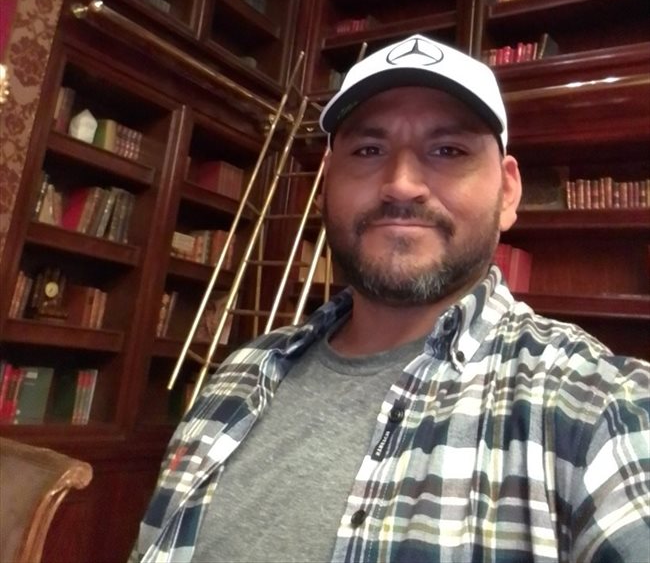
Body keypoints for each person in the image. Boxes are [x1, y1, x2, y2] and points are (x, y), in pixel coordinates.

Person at [131, 34, 650, 563]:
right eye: (368, 150)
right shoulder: (239, 375)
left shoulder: (601, 407)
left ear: (508, 192)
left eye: (448, 150)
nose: (401, 184)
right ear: (326, 184)